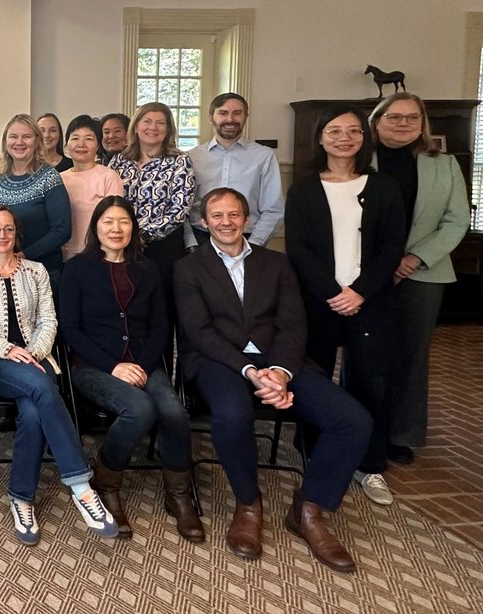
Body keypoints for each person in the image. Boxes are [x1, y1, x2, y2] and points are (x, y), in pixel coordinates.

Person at [176, 187, 371, 573]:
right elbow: (200, 331)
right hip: (219, 361)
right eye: (217, 216)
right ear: (203, 222)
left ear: (247, 220)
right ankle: (248, 504)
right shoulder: (188, 268)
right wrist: (251, 372)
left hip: (280, 361)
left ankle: (310, 509)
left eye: (234, 215)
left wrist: (279, 373)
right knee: (232, 412)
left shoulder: (277, 264)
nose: (226, 222)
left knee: (352, 420)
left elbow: (293, 324)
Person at [0, 206, 118, 545]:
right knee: (42, 387)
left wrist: (33, 351)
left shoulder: (36, 271)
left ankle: (21, 497)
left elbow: (49, 319)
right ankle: (81, 486)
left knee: (32, 412)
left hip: (37, 356)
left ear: (17, 235)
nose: (2, 236)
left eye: (9, 230)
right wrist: (8, 349)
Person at [285, 105, 406, 506]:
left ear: (363, 137)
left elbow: (392, 246)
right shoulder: (304, 188)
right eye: (334, 131)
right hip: (319, 299)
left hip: (370, 299)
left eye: (353, 131)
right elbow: (298, 246)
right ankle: (314, 452)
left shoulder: (383, 186)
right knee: (313, 377)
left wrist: (360, 291)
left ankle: (369, 465)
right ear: (320, 138)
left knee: (371, 379)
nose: (344, 138)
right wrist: (332, 292)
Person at [59, 196, 199, 541]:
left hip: (144, 362)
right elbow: (70, 329)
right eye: (108, 222)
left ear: (133, 227)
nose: (116, 229)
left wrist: (140, 364)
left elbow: (160, 327)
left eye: (123, 221)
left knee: (174, 411)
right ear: (96, 228)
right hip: (93, 365)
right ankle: (107, 482)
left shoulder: (147, 268)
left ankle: (179, 495)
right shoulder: (77, 268)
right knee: (139, 410)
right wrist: (115, 365)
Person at [369, 92, 470, 464]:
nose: (404, 124)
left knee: (412, 353)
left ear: (423, 123)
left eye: (412, 118)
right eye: (394, 117)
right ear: (377, 122)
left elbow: (457, 220)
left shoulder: (443, 165)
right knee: (365, 352)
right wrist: (381, 262)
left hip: (424, 272)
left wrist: (414, 258)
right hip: (367, 272)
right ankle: (362, 426)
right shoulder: (363, 162)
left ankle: (401, 432)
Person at [107, 102, 196, 292]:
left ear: (168, 129)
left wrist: (144, 235)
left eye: (160, 123)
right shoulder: (119, 161)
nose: (153, 128)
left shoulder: (180, 160)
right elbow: (109, 202)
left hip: (163, 248)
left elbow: (180, 209)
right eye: (147, 121)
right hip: (121, 243)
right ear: (136, 127)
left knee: (160, 306)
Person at [0, 114, 71, 284]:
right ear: (5, 141)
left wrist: (23, 256)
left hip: (40, 273)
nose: (19, 142)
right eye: (13, 136)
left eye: (26, 137)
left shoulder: (50, 178)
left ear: (37, 141)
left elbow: (62, 230)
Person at [184, 93, 284, 251]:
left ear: (246, 116)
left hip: (248, 238)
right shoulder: (191, 157)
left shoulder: (264, 156)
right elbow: (184, 208)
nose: (230, 119)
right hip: (201, 239)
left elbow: (273, 209)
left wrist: (254, 246)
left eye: (237, 113)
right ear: (211, 118)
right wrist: (191, 244)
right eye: (223, 113)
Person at [59, 115, 124, 262]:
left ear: (98, 145)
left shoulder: (108, 177)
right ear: (66, 144)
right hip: (64, 258)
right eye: (75, 138)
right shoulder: (59, 179)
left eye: (88, 139)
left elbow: (114, 220)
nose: (81, 144)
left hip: (99, 257)